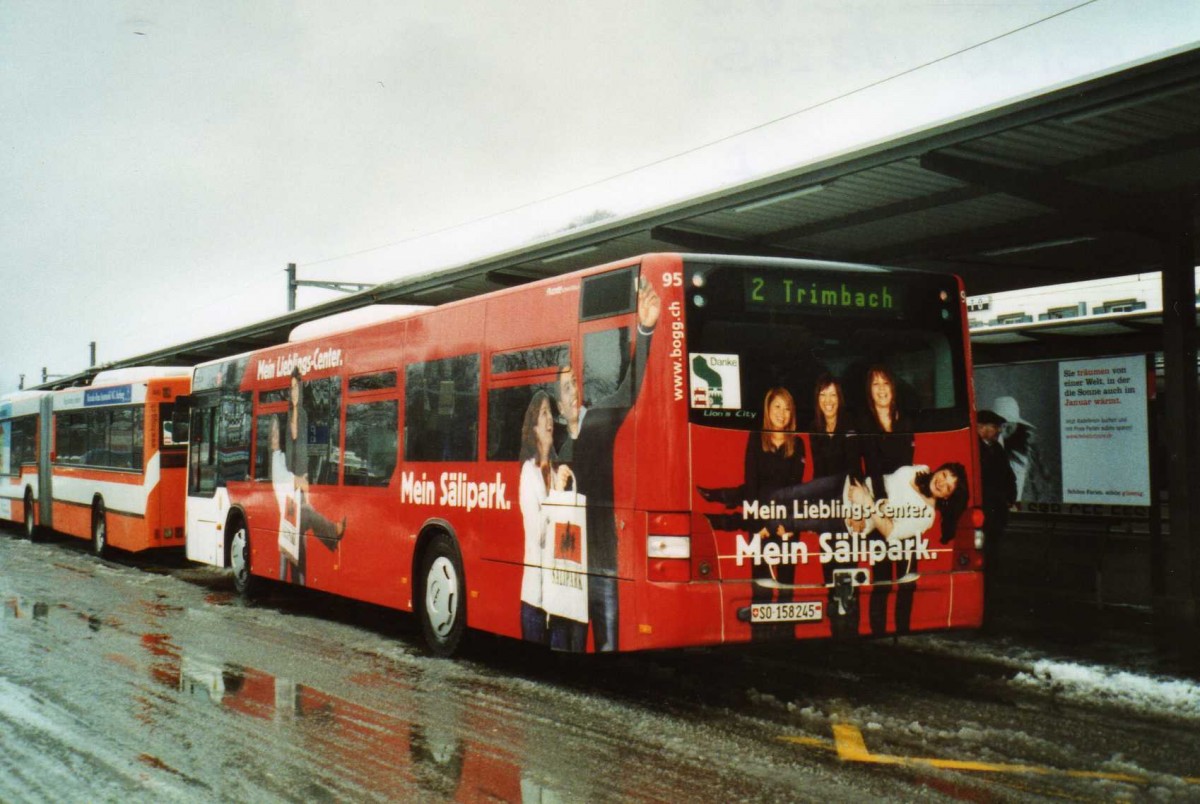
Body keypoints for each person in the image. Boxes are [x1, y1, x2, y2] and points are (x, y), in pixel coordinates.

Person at [556, 276, 660, 652]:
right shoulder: (552, 445)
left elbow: (631, 387)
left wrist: (645, 329)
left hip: (600, 555)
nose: (574, 393)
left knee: (607, 643)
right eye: (566, 389)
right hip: (564, 561)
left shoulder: (599, 422)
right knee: (568, 642)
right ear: (558, 402)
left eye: (576, 385)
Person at [767, 462, 969, 635]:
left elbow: (890, 532)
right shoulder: (921, 470)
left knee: (787, 520)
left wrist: (866, 502)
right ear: (939, 470)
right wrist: (862, 488)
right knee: (786, 495)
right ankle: (740, 501)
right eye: (944, 475)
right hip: (846, 485)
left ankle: (741, 521)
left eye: (948, 487)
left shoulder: (926, 516)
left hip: (845, 519)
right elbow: (882, 476)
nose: (941, 483)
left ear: (947, 497)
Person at [857, 365, 915, 636]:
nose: (881, 390)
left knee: (907, 572)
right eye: (875, 384)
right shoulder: (866, 423)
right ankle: (878, 630)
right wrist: (882, 504)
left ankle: (903, 627)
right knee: (881, 571)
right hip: (881, 501)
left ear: (893, 388)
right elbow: (873, 467)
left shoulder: (904, 421)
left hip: (906, 503)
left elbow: (908, 467)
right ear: (869, 392)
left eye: (886, 384)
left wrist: (905, 503)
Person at [517, 391, 575, 646]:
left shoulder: (556, 468)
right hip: (536, 600)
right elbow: (538, 532)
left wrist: (568, 485)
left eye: (551, 413)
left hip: (560, 595)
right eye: (543, 414)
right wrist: (557, 492)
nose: (550, 419)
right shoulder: (528, 473)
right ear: (533, 426)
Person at [808, 374, 858, 637]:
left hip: (846, 499)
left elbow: (852, 466)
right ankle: (834, 609)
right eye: (823, 395)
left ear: (840, 399)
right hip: (824, 501)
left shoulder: (849, 425)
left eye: (833, 395)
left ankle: (849, 611)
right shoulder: (813, 428)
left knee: (848, 555)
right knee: (828, 555)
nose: (828, 401)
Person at [270, 414, 345, 586]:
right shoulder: (277, 462)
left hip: (291, 518)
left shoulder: (282, 457)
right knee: (308, 513)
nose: (275, 437)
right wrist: (301, 480)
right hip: (290, 517)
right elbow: (301, 484)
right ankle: (333, 531)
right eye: (273, 434)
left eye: (276, 433)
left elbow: (298, 481)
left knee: (294, 571)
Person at [977, 409, 1016, 624]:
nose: (998, 431)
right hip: (982, 515)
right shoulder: (974, 449)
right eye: (994, 426)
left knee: (993, 561)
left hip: (996, 515)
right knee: (984, 560)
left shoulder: (997, 450)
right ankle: (984, 608)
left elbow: (1008, 477)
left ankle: (990, 606)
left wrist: (1010, 497)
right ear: (981, 427)